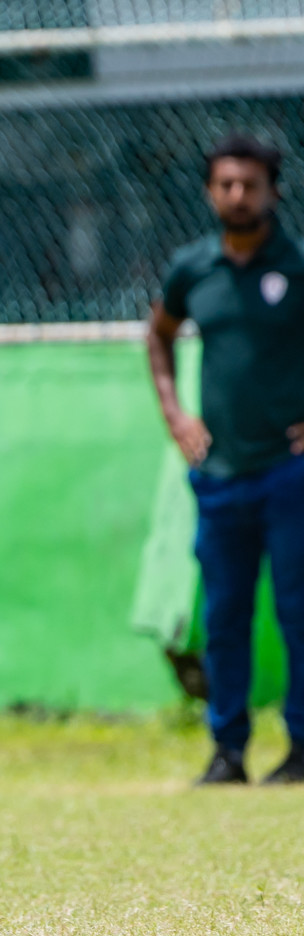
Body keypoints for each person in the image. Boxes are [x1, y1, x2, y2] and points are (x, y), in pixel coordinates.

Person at [146, 133, 304, 786]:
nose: (237, 196)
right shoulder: (193, 268)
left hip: (289, 473)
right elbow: (157, 337)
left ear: (273, 191)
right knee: (225, 616)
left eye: (250, 185)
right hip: (219, 477)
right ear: (212, 192)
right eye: (226, 185)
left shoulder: (296, 264)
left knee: (298, 611)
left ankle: (301, 747)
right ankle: (228, 750)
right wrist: (176, 414)